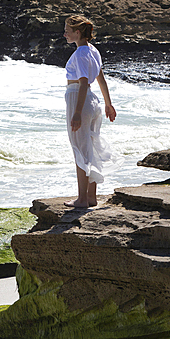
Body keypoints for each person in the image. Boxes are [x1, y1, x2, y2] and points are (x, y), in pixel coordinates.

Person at [62, 15, 116, 208]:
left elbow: (84, 82)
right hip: (93, 102)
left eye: (68, 30)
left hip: (80, 99)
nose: (65, 33)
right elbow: (100, 79)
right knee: (90, 149)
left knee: (79, 149)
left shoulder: (81, 54)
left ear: (78, 32)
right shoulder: (93, 51)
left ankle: (82, 199)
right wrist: (109, 104)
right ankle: (91, 197)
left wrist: (76, 112)